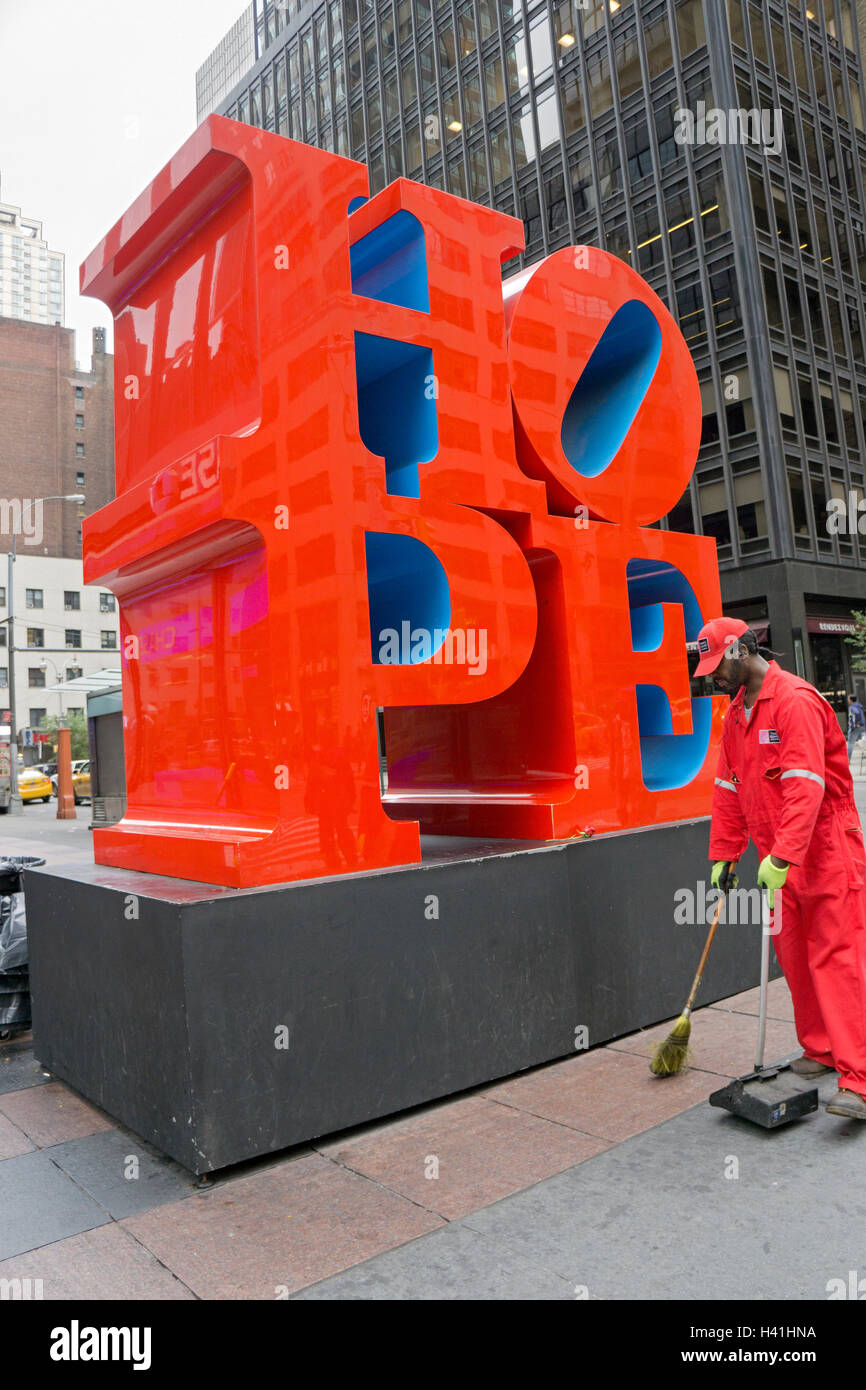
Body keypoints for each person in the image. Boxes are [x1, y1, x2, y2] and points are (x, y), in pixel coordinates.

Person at [696, 616, 866, 1119]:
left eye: (718, 665)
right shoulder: (734, 716)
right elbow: (728, 789)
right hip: (777, 857)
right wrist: (725, 854)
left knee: (836, 957)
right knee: (794, 953)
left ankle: (858, 1077)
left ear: (743, 650)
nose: (714, 677)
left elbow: (807, 785)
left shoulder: (793, 700)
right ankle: (821, 1049)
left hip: (825, 849)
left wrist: (783, 855)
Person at [847, 693, 866, 762]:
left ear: (851, 700)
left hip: (856, 727)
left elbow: (854, 715)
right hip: (862, 726)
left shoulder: (852, 707)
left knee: (850, 743)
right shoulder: (859, 706)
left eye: (848, 699)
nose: (848, 700)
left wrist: (854, 725)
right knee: (864, 741)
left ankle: (848, 760)